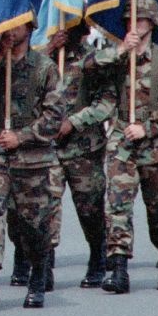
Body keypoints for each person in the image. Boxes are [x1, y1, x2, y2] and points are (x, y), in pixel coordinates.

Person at [84, 0, 158, 294]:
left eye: (140, 21)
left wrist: (148, 127)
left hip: (156, 145)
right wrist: (119, 50)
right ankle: (118, 267)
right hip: (121, 142)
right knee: (117, 205)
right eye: (130, 21)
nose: (135, 26)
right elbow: (86, 68)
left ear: (152, 24)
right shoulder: (116, 56)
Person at [0, 20, 65, 311]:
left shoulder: (44, 67)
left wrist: (21, 136)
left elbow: (54, 116)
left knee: (31, 223)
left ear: (30, 28)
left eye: (17, 24)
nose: (11, 28)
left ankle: (37, 276)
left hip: (32, 155)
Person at [45, 22, 114, 287]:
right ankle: (44, 264)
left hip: (84, 148)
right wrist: (50, 49)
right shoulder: (42, 59)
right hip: (48, 148)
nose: (61, 31)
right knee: (46, 206)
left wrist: (74, 122)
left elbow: (107, 102)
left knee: (89, 208)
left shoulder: (92, 60)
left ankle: (98, 254)